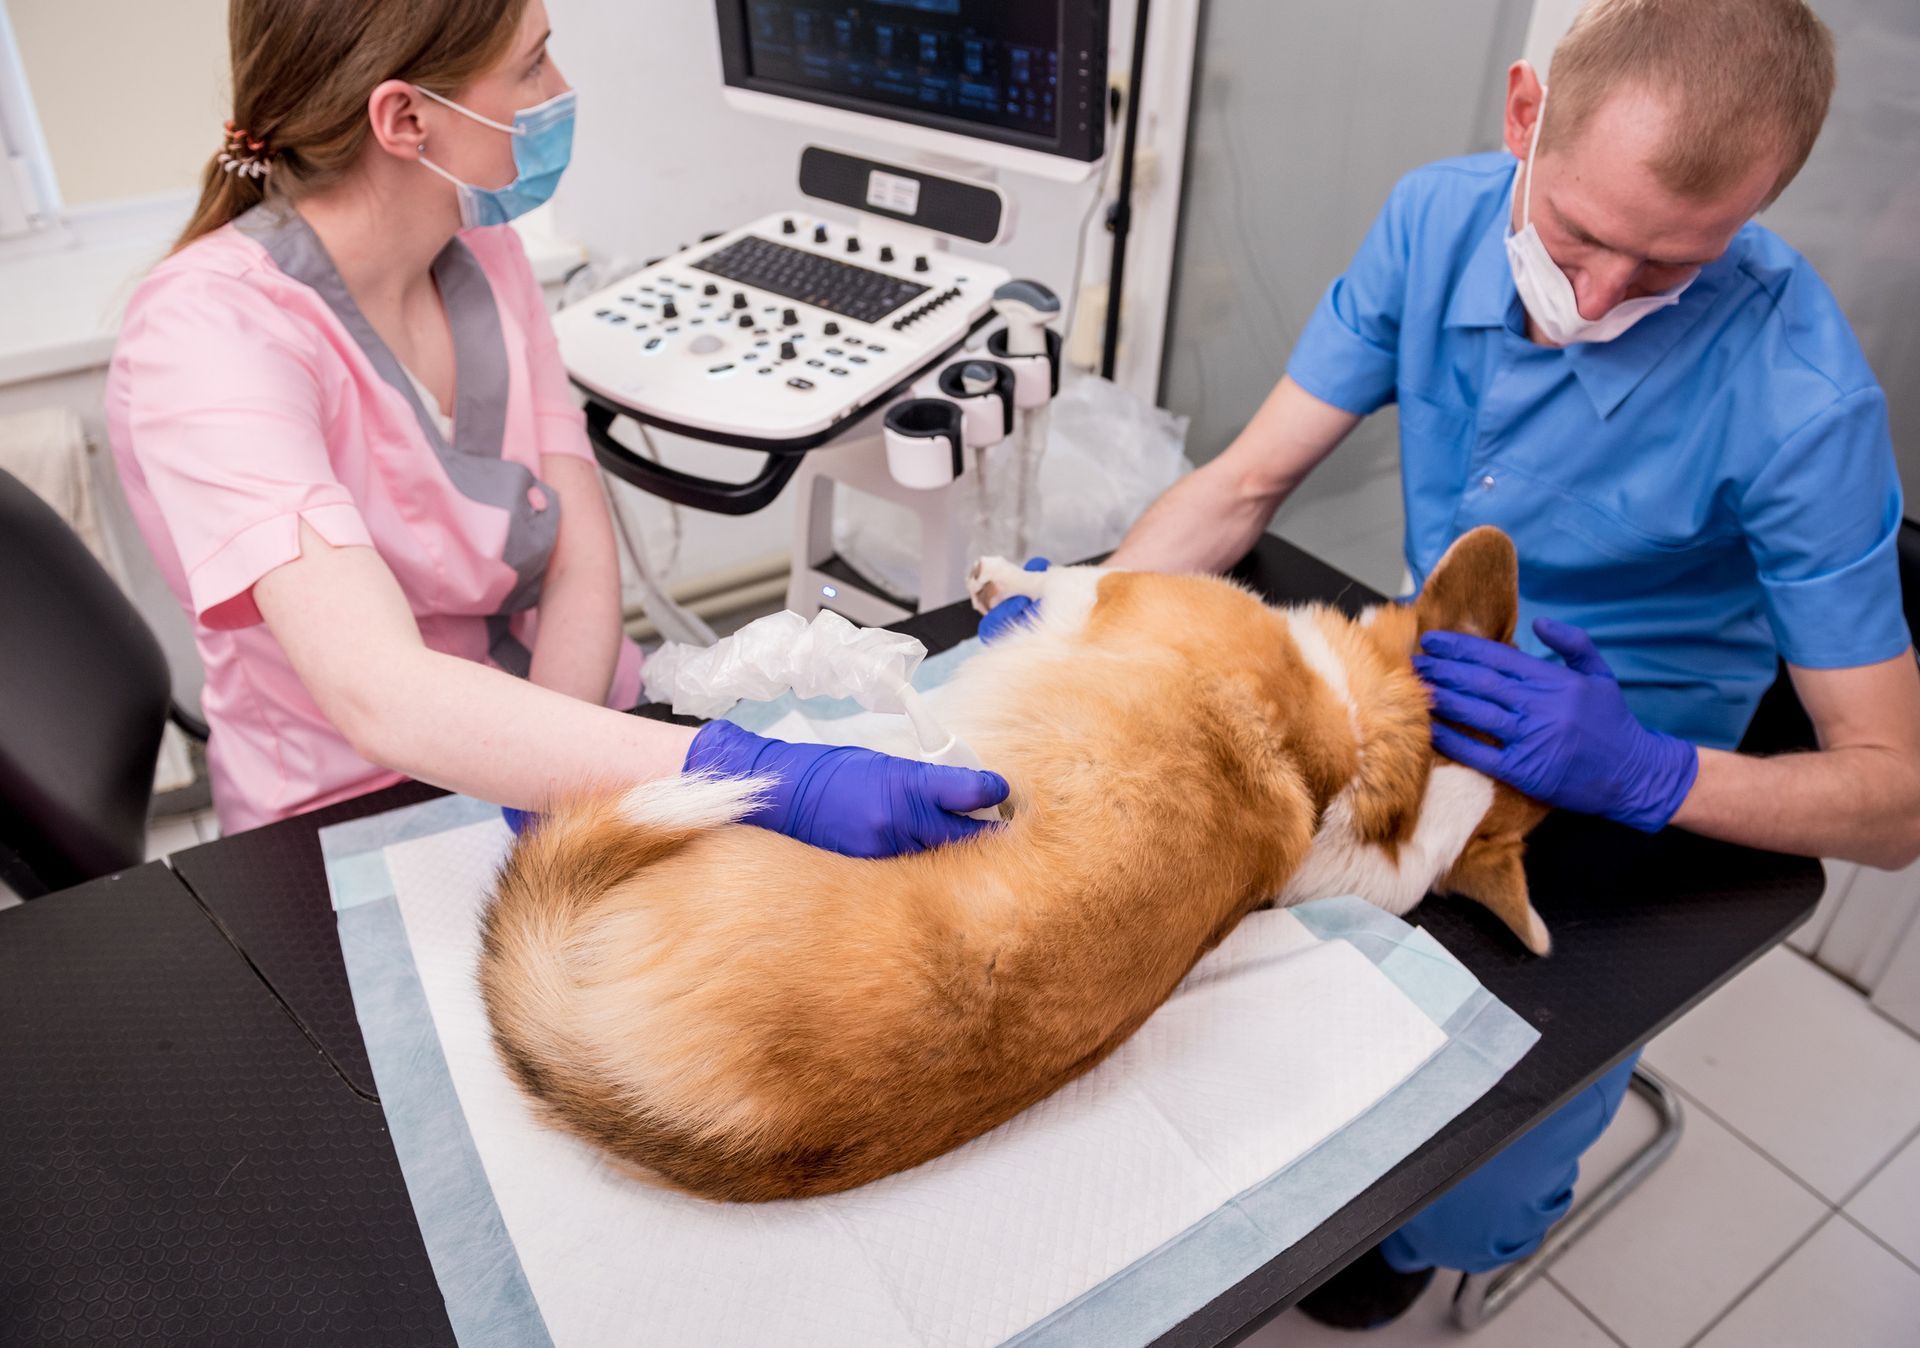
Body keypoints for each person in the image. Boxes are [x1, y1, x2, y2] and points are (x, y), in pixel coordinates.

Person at [983, 0, 1920, 1327]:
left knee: (1466, 1179)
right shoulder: (1436, 221)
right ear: (1525, 115)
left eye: (1668, 270)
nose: (1599, 300)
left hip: (1627, 796)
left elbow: (1895, 804)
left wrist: (1639, 768)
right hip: (1416, 710)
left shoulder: (1802, 396)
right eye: (1583, 236)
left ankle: (1426, 1245)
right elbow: (1245, 485)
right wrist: (1088, 613)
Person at [107, 0, 1006, 856]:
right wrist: (752, 780)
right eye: (531, 65)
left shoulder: (475, 246)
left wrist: (561, 773)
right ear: (405, 120)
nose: (559, 88)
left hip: (573, 724)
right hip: (363, 801)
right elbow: (377, 691)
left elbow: (576, 533)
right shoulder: (206, 339)